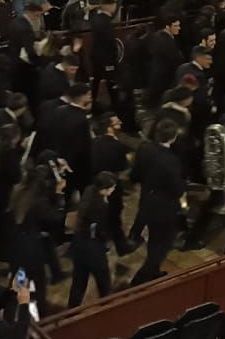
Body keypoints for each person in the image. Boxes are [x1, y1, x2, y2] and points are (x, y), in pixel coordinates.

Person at [129, 118, 186, 284]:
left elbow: (135, 175)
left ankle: (153, 272)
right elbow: (177, 189)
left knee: (154, 239)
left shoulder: (144, 148)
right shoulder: (171, 161)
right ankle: (141, 279)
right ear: (173, 137)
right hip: (164, 208)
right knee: (162, 245)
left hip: (147, 200)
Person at [67, 172, 117, 308]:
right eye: (112, 188)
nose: (113, 191)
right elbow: (100, 230)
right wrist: (105, 243)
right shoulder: (101, 205)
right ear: (105, 189)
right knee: (104, 282)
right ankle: (106, 307)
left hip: (79, 245)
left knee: (78, 283)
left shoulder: (89, 191)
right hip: (93, 249)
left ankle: (71, 310)